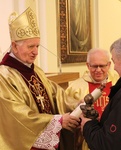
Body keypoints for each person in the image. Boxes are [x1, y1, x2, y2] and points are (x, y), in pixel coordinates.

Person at [0, 7, 81, 150]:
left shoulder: (35, 70)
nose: (36, 52)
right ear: (14, 46)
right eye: (31, 46)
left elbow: (55, 94)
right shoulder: (3, 76)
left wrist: (76, 104)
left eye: (37, 46)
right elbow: (17, 116)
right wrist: (58, 121)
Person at [65, 48, 118, 150]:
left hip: (112, 137)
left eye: (102, 66)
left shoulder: (118, 82)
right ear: (87, 65)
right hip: (86, 140)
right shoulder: (75, 87)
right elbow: (67, 114)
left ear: (109, 65)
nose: (98, 70)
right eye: (94, 66)